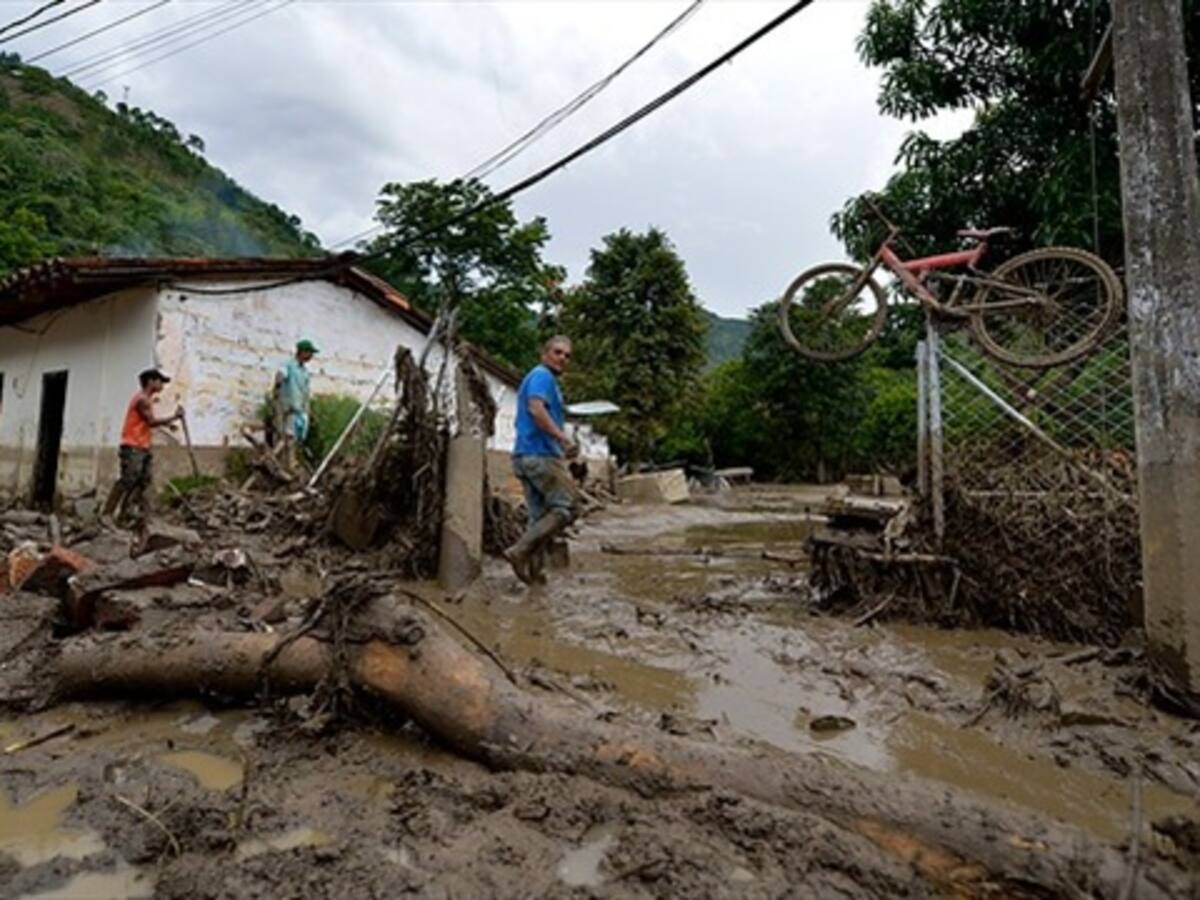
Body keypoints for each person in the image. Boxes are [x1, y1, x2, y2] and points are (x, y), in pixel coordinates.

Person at [504, 335, 580, 584]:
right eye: (557, 352)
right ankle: (519, 550)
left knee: (539, 519)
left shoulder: (540, 378)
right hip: (540, 455)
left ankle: (536, 576)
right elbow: (536, 410)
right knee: (568, 508)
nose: (563, 358)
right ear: (544, 354)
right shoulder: (542, 376)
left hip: (525, 455)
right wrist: (563, 439)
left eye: (567, 355)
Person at [102, 367, 182, 529]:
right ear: (150, 381)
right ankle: (107, 515)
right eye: (160, 381)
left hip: (142, 446)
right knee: (128, 479)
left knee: (143, 481)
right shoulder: (142, 400)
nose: (162, 385)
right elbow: (151, 422)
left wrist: (168, 425)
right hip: (133, 446)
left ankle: (125, 515)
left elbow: (147, 422)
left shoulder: (147, 400)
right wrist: (174, 417)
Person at [273, 339, 318, 469]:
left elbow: (305, 392)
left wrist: (308, 410)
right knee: (289, 437)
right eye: (310, 353)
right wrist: (277, 391)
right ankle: (286, 462)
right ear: (302, 352)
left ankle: (290, 463)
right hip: (290, 408)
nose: (311, 356)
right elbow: (280, 376)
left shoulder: (304, 371)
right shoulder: (289, 366)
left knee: (296, 437)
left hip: (300, 409)